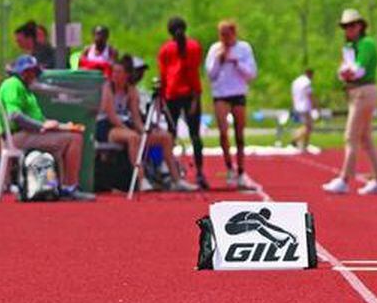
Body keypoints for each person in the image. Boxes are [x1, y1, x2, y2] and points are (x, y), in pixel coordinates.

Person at [0, 55, 93, 200]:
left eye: (35, 71)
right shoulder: (13, 84)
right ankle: (70, 188)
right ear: (23, 72)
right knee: (75, 139)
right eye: (31, 71)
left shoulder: (24, 88)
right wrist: (42, 126)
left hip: (26, 134)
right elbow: (14, 115)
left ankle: (59, 186)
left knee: (72, 134)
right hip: (18, 137)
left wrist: (62, 127)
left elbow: (39, 121)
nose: (34, 75)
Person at [97, 55, 195, 191]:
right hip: (109, 127)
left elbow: (136, 117)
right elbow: (111, 116)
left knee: (165, 137)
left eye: (119, 72)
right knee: (134, 138)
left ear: (126, 75)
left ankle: (176, 179)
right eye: (114, 72)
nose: (115, 75)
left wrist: (144, 130)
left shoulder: (131, 90)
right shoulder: (108, 88)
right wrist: (130, 130)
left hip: (127, 125)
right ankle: (141, 179)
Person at [323, 9, 377, 195]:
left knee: (350, 136)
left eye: (351, 25)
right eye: (345, 26)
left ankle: (344, 179)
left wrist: (348, 73)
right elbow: (342, 70)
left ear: (360, 26)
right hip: (357, 92)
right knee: (365, 138)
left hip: (364, 91)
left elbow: (359, 70)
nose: (348, 29)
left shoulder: (366, 44)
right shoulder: (350, 46)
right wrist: (345, 73)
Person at [205, 20, 258, 189]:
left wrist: (236, 63)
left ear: (233, 33)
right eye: (221, 35)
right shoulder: (215, 49)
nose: (224, 38)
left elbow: (251, 73)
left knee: (239, 135)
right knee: (223, 132)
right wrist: (219, 60)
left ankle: (241, 171)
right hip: (221, 95)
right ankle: (229, 167)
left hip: (238, 93)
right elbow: (210, 74)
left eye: (227, 34)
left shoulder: (244, 48)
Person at [157, 17, 207, 188]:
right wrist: (196, 97)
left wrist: (161, 98)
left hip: (171, 95)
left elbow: (163, 75)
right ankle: (199, 173)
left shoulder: (165, 49)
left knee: (171, 134)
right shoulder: (194, 46)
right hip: (189, 94)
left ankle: (170, 172)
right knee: (195, 135)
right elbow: (194, 73)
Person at [290, 68, 317, 151]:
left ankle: (304, 144)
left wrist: (293, 105)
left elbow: (293, 94)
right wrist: (314, 105)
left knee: (306, 125)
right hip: (305, 106)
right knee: (308, 126)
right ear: (310, 74)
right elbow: (309, 94)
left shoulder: (295, 81)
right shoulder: (306, 82)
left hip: (297, 105)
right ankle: (295, 138)